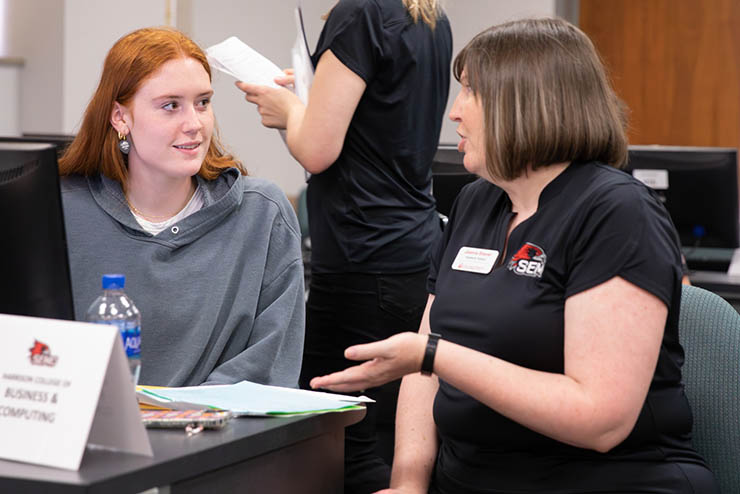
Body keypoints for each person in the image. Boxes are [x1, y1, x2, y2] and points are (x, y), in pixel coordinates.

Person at [310, 18, 719, 494]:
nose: (454, 113)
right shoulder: (475, 202)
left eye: (469, 92)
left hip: (605, 481)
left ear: (524, 104)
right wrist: (408, 482)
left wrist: (436, 356)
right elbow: (424, 373)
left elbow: (599, 421)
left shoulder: (617, 212)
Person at [237, 1, 451, 492]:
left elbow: (316, 148)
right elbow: (379, 123)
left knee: (336, 441)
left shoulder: (358, 13)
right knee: (383, 437)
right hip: (407, 252)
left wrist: (288, 109)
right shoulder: (426, 14)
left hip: (363, 255)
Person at [58, 27, 304, 388]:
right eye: (170, 106)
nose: (195, 124)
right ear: (120, 118)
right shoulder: (64, 212)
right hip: (90, 435)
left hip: (222, 438)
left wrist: (181, 420)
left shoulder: (262, 215)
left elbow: (269, 367)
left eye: (203, 102)